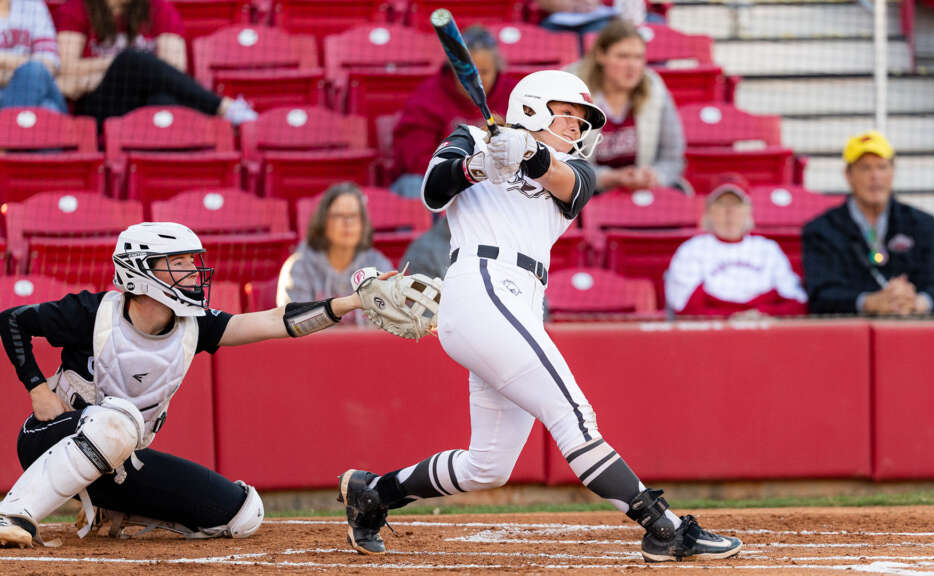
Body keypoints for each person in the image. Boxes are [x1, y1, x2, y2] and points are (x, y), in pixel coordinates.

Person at [336, 70, 742, 563]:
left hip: (521, 301)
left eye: (581, 119)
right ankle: (665, 529)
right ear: (531, 107)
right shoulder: (471, 139)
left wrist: (529, 153)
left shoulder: (576, 167)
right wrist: (478, 165)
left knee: (489, 465)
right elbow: (433, 190)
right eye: (568, 114)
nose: (577, 126)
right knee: (574, 416)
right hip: (481, 286)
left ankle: (373, 493)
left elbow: (568, 184)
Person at [0, 221, 387, 548]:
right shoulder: (92, 312)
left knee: (243, 514)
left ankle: (114, 507)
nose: (192, 270)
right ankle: (13, 514)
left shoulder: (194, 325)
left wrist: (350, 303)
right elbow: (12, 320)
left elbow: (272, 321)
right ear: (140, 270)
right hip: (48, 439)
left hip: (117, 462)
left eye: (192, 261)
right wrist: (38, 390)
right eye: (179, 262)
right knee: (118, 420)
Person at [802, 130, 934, 315]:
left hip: (914, 326)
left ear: (892, 171)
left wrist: (916, 302)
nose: (875, 176)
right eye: (865, 168)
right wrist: (869, 302)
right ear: (848, 175)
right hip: (851, 329)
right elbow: (821, 296)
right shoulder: (822, 230)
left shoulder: (922, 225)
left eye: (882, 167)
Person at [55, 0, 256, 127]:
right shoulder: (76, 7)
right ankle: (223, 107)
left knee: (163, 101)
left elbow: (174, 68)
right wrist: (120, 64)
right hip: (101, 105)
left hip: (144, 100)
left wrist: (128, 70)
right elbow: (66, 66)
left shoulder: (158, 7)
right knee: (130, 59)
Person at [390, 26, 515, 199]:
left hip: (499, 182)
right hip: (444, 181)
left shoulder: (514, 96)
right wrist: (464, 175)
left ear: (497, 69)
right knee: (413, 184)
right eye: (468, 72)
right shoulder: (427, 97)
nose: (476, 80)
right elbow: (416, 160)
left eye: (484, 72)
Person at [567, 18, 685, 193]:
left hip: (642, 191)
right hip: (586, 192)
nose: (632, 66)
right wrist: (608, 178)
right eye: (622, 56)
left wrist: (654, 176)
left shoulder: (655, 88)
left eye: (638, 57)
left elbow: (673, 157)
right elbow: (561, 161)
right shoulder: (571, 89)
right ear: (600, 55)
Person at [665, 174, 806, 317]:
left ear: (748, 211)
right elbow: (685, 308)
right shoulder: (692, 249)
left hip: (765, 325)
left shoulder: (767, 249)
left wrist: (760, 314)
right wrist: (732, 317)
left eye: (736, 204)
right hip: (714, 328)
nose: (729, 212)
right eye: (721, 204)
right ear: (708, 210)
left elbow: (796, 302)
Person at [277, 183, 393, 326]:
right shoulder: (298, 267)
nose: (347, 223)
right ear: (323, 221)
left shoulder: (378, 265)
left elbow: (390, 323)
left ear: (363, 223)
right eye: (339, 216)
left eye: (354, 216)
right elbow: (295, 326)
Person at [0, 0, 66, 112]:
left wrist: (3, 60)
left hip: (39, 85)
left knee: (34, 70)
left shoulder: (33, 5)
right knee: (48, 107)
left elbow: (48, 65)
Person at [400, 215, 451, 280]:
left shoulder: (439, 234)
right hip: (418, 283)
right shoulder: (437, 243)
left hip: (427, 280)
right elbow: (448, 278)